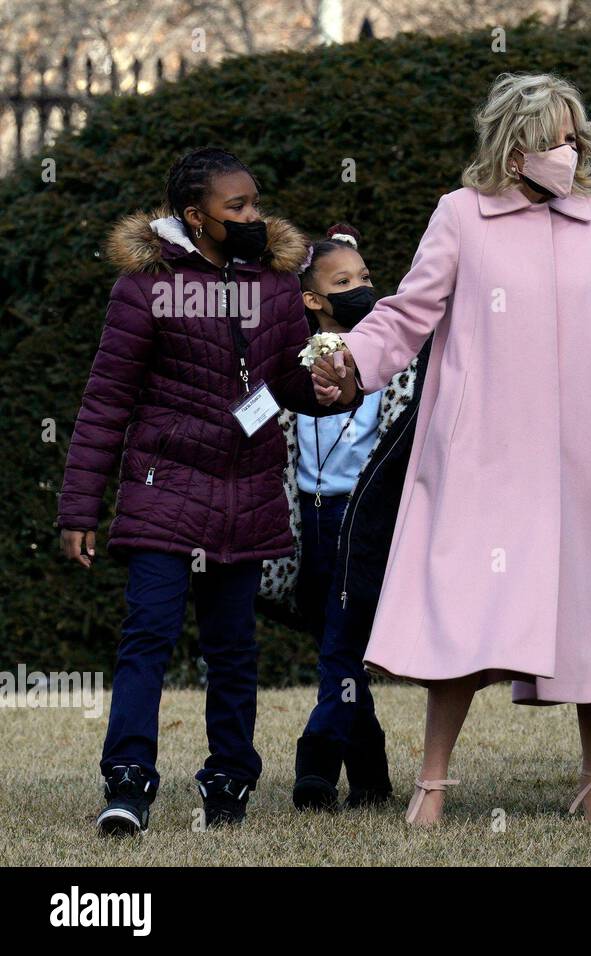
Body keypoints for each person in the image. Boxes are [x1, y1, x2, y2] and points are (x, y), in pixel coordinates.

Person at [308, 73, 591, 827]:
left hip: (589, 450)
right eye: (555, 136)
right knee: (466, 609)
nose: (570, 149)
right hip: (482, 451)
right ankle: (433, 779)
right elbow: (407, 314)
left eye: (576, 134)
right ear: (515, 148)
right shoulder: (460, 216)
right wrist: (350, 358)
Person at [57, 147, 359, 835]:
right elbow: (106, 401)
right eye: (237, 207)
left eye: (254, 201)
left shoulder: (278, 285)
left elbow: (285, 385)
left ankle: (228, 781)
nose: (254, 215)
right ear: (196, 217)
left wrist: (332, 392)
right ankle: (128, 783)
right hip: (164, 490)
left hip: (245, 494)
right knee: (147, 639)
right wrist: (79, 506)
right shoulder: (145, 287)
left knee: (233, 651)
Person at [259, 223, 397, 812]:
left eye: (365, 277)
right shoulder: (287, 363)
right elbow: (249, 418)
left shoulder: (396, 357)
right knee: (333, 643)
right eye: (344, 281)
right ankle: (369, 772)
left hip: (362, 519)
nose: (361, 288)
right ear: (312, 298)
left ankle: (316, 759)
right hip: (305, 524)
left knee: (342, 644)